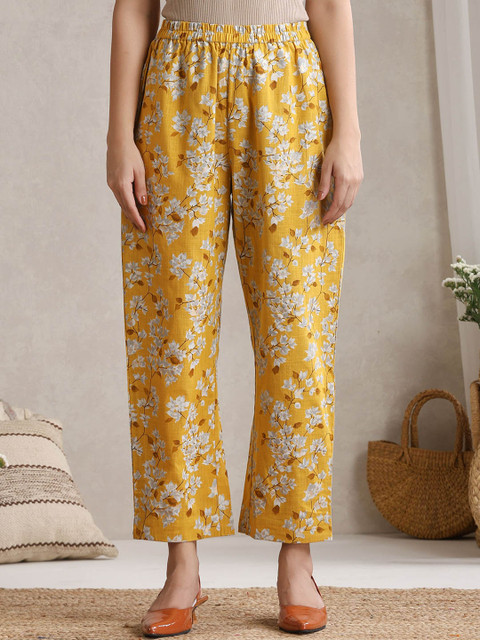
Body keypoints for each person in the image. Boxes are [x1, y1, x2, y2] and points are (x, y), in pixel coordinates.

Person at [106, 0, 363, 636]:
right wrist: (118, 136)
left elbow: (330, 5)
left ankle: (297, 559)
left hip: (288, 85)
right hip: (176, 86)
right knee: (172, 337)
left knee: (297, 337)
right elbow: (133, 6)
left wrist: (349, 133)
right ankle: (182, 565)